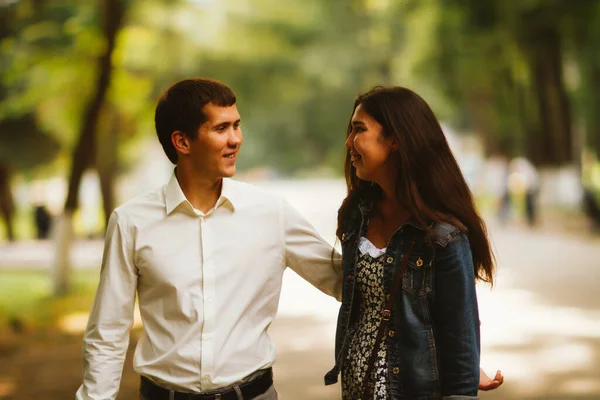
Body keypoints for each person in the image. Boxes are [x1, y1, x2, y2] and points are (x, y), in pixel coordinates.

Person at [75, 78, 343, 400]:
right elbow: (108, 332)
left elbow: (345, 281)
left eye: (237, 125)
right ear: (182, 142)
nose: (236, 139)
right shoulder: (132, 222)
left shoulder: (271, 213)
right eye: (221, 129)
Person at [325, 86, 500, 399]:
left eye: (358, 130)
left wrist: (469, 371)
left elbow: (459, 343)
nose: (348, 142)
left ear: (394, 139)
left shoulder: (444, 237)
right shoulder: (356, 217)